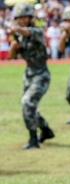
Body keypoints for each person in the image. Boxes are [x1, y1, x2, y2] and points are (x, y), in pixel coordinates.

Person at [8, 2, 55, 149]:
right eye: (19, 18)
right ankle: (46, 130)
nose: (22, 20)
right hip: (28, 74)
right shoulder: (19, 37)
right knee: (29, 106)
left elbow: (27, 32)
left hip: (41, 75)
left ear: (30, 17)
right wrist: (13, 47)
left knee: (27, 103)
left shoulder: (36, 31)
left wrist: (16, 29)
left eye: (25, 17)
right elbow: (12, 57)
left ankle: (33, 139)